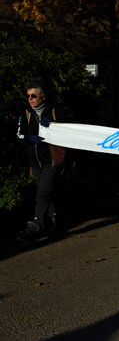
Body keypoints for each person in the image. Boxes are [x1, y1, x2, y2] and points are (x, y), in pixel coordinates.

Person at [16, 80, 66, 242]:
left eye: (34, 96)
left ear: (43, 97)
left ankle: (36, 225)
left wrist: (53, 125)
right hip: (34, 161)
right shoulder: (26, 113)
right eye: (28, 96)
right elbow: (19, 135)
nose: (30, 98)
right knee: (46, 193)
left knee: (42, 193)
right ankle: (56, 222)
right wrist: (30, 138)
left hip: (51, 160)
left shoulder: (54, 111)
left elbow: (68, 132)